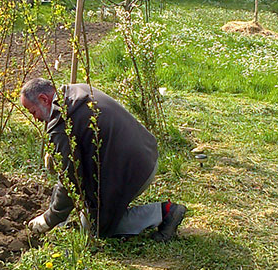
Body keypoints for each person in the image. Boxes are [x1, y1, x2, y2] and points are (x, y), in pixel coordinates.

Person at [20, 78, 186, 240]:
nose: (35, 118)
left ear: (44, 99)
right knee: (86, 212)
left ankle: (165, 212)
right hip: (145, 155)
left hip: (134, 172)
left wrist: (50, 218)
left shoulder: (63, 123)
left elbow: (71, 179)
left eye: (33, 112)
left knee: (93, 227)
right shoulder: (75, 91)